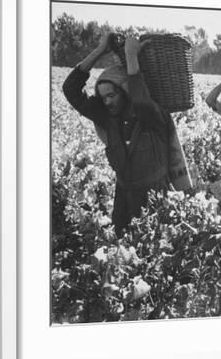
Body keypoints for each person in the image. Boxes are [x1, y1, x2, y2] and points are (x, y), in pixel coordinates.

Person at [62, 33, 190, 235]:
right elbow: (70, 90)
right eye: (103, 98)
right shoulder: (108, 118)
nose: (107, 102)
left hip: (155, 197)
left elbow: (140, 100)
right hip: (123, 198)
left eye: (111, 95)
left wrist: (132, 57)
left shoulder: (152, 116)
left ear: (125, 91)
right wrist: (100, 51)